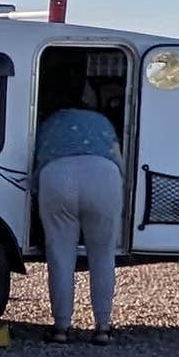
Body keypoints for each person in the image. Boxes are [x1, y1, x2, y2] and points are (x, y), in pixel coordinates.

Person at [31, 96, 122, 340]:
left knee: (60, 255)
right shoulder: (102, 121)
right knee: (103, 255)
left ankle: (61, 327)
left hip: (57, 175)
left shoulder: (48, 122)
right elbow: (118, 157)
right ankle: (103, 326)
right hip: (104, 174)